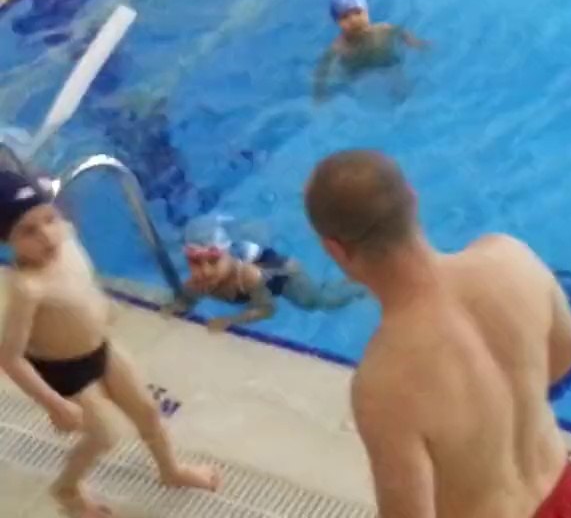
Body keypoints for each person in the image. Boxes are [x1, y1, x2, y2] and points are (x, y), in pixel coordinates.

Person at [304, 150, 571, 518]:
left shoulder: (383, 382)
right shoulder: (510, 257)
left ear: (335, 250)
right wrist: (508, 403)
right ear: (413, 198)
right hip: (561, 491)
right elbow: (569, 346)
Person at [0, 170, 219, 517]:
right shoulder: (28, 287)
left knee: (147, 411)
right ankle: (67, 489)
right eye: (28, 231)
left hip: (101, 347)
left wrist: (101, 307)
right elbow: (10, 358)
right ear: (7, 240)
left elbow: (83, 284)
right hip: (64, 370)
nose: (46, 235)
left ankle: (171, 470)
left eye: (49, 219)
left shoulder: (67, 238)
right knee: (103, 436)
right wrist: (55, 404)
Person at [162, 216, 368, 332]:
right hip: (258, 265)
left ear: (228, 255)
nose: (205, 271)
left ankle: (362, 285)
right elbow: (186, 301)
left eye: (213, 261)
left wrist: (231, 321)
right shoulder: (197, 284)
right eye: (196, 263)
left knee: (318, 302)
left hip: (285, 275)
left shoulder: (247, 277)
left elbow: (268, 309)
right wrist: (176, 307)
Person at [313, 0, 430, 101]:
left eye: (357, 12)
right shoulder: (338, 46)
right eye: (345, 17)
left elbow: (400, 31)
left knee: (398, 78)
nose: (353, 20)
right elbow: (322, 69)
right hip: (357, 70)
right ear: (337, 22)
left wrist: (414, 42)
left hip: (385, 61)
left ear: (366, 11)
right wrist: (320, 92)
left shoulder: (382, 29)